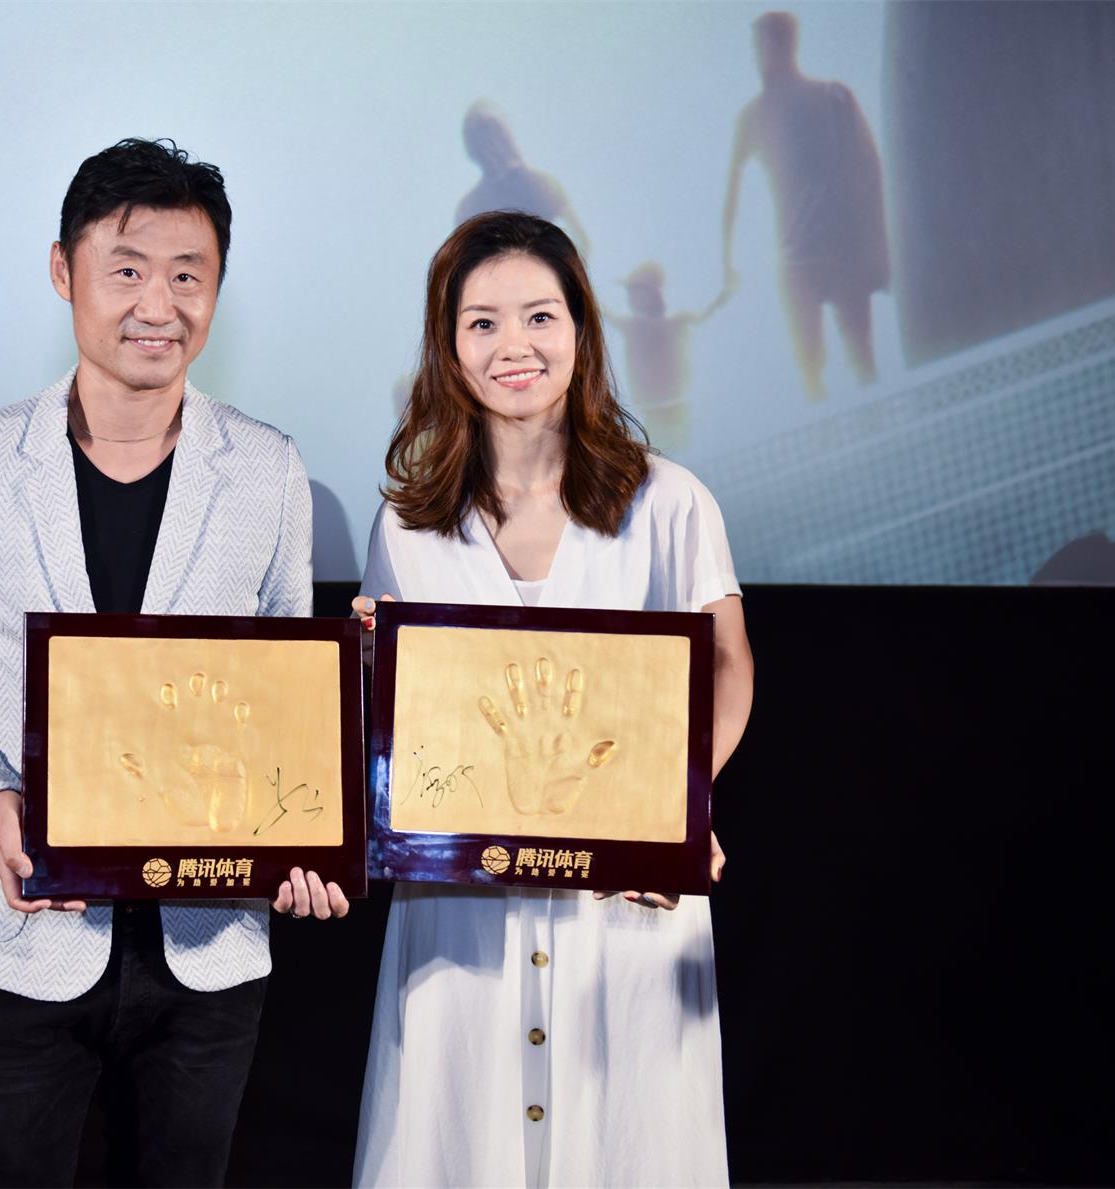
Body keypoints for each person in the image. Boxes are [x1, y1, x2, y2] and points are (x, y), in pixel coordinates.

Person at [0, 137, 348, 1189]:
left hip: (210, 947)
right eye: (126, 269)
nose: (157, 305)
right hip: (17, 937)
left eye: (188, 275)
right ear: (63, 271)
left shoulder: (268, 468)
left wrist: (309, 835)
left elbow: (290, 696)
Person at [351, 211, 755, 1188]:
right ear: (448, 344)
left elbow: (729, 666)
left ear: (581, 329)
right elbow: (394, 722)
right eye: (482, 322)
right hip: (462, 914)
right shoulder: (409, 522)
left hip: (622, 904)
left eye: (540, 316)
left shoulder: (669, 500)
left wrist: (678, 806)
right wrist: (367, 670)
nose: (515, 345)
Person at [721, 9, 889, 400]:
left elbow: (870, 171)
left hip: (841, 249)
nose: (762, 53)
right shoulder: (754, 116)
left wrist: (878, 249)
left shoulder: (832, 97)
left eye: (766, 42)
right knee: (812, 368)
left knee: (859, 354)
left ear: (784, 43)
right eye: (758, 44)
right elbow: (733, 192)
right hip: (798, 257)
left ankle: (875, 419)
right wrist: (726, 264)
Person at [602, 259, 735, 454]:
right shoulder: (631, 326)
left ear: (653, 294)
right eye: (630, 291)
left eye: (637, 290)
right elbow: (601, 310)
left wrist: (727, 288)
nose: (632, 296)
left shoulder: (678, 323)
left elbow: (712, 311)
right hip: (650, 417)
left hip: (675, 415)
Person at [456, 99, 591, 259]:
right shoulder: (470, 207)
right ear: (474, 150)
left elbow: (581, 240)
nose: (494, 148)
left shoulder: (541, 185)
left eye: (497, 137)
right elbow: (460, 262)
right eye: (485, 141)